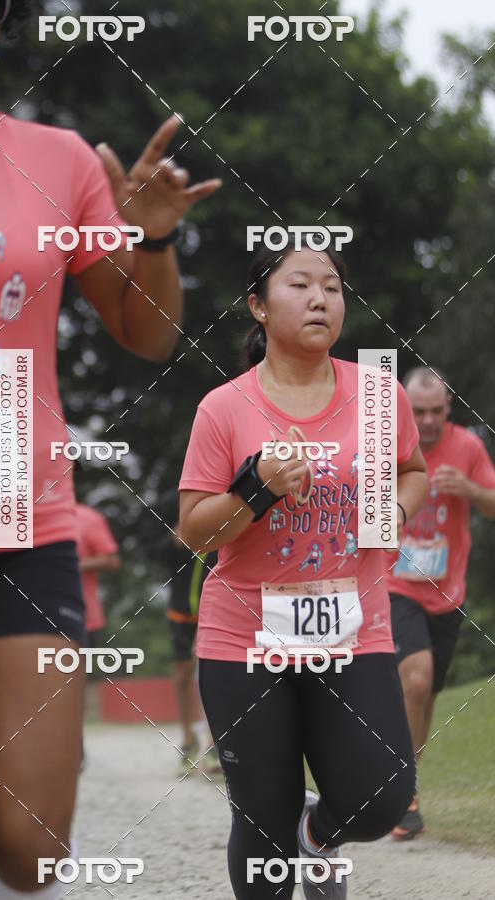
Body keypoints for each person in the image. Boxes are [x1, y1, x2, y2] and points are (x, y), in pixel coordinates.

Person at [0, 2, 221, 898]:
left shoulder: (57, 160)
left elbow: (146, 334)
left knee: (31, 851)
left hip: (19, 519)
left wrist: (153, 238)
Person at [179, 239, 429, 899]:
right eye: (299, 285)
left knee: (381, 796)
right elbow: (194, 530)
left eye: (332, 287)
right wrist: (255, 489)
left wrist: (395, 511)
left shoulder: (377, 394)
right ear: (258, 306)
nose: (320, 298)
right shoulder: (225, 407)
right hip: (246, 642)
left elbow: (413, 470)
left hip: (353, 633)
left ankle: (316, 838)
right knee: (263, 823)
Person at [387, 367, 495, 840]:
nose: (427, 421)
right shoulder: (387, 447)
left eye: (436, 410)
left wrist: (469, 490)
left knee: (426, 694)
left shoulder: (468, 447)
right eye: (418, 412)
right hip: (396, 585)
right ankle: (403, 792)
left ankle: (407, 783)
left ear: (449, 406)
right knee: (417, 678)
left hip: (448, 593)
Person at [166, 526, 219, 775]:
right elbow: (156, 553)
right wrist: (173, 538)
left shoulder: (223, 510)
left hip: (214, 605)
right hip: (180, 610)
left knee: (212, 671)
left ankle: (213, 744)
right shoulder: (169, 511)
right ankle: (189, 741)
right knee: (183, 673)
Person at [75, 502, 120, 651]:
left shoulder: (87, 517)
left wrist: (70, 566)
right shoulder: (19, 515)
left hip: (83, 618)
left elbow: (112, 561)